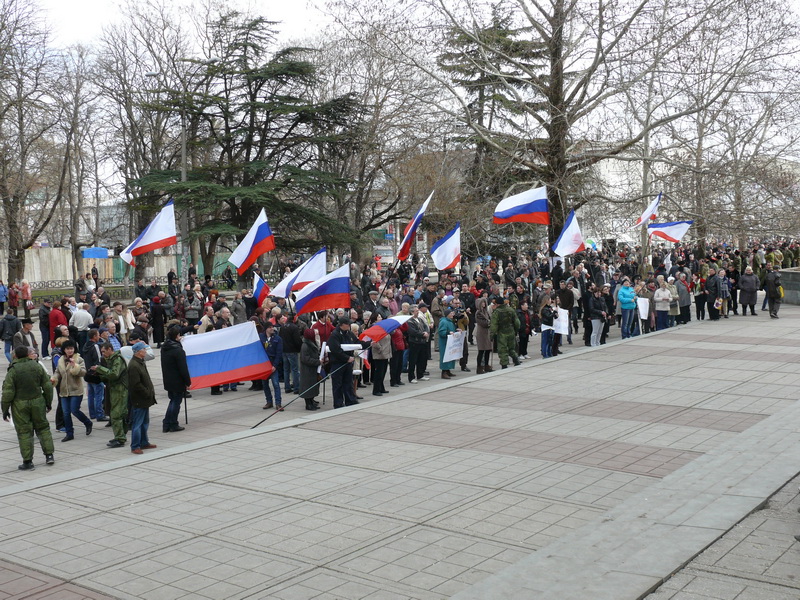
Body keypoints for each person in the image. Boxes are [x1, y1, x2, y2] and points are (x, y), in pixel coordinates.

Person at [2, 345, 55, 470]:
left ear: (15, 356)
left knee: (24, 432)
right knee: (43, 428)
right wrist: (48, 402)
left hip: (20, 405)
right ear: (27, 354)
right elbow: (47, 386)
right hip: (38, 401)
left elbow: (8, 392)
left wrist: (5, 409)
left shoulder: (13, 370)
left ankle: (28, 461)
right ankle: (49, 455)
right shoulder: (36, 366)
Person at [50, 339, 93, 442]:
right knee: (65, 412)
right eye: (67, 349)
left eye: (71, 348)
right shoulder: (61, 360)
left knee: (74, 410)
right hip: (64, 391)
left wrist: (75, 366)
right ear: (64, 350)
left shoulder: (79, 359)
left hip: (76, 390)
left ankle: (87, 422)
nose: (70, 351)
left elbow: (83, 372)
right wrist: (54, 378)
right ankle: (69, 433)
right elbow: (57, 372)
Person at [91, 342, 129, 448]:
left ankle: (120, 438)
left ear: (109, 349)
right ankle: (120, 436)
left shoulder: (117, 359)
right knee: (119, 414)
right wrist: (98, 375)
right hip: (115, 390)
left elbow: (114, 374)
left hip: (120, 390)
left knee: (116, 415)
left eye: (104, 351)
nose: (103, 354)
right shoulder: (111, 360)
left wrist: (100, 369)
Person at [327, 316, 368, 408]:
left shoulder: (349, 333)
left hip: (348, 362)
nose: (349, 325)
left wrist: (369, 344)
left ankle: (350, 400)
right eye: (347, 324)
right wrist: (346, 358)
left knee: (348, 382)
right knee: (338, 384)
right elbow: (335, 350)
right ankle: (338, 403)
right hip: (338, 363)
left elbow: (357, 343)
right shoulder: (335, 335)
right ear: (342, 325)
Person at [127, 341, 158, 455]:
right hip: (139, 399)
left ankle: (144, 442)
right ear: (138, 352)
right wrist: (146, 392)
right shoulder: (134, 365)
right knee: (138, 423)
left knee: (145, 422)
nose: (145, 351)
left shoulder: (140, 362)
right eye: (144, 350)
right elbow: (136, 385)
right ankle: (135, 445)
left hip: (145, 399)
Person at [160, 326, 191, 432]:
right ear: (177, 336)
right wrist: (188, 381)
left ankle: (167, 423)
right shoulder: (178, 350)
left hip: (168, 379)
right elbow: (183, 368)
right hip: (177, 380)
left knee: (172, 400)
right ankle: (172, 423)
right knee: (176, 402)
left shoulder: (165, 347)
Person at [82, 329, 107, 422]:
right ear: (94, 336)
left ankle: (92, 414)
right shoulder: (95, 346)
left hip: (88, 373)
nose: (99, 336)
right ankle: (100, 414)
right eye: (98, 335)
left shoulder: (85, 345)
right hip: (95, 374)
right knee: (99, 395)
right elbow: (99, 359)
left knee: (91, 395)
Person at [489, 297, 521, 369]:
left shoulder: (496, 312)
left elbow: (494, 325)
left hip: (502, 333)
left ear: (497, 304)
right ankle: (516, 360)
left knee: (502, 349)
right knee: (511, 348)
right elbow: (517, 322)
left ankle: (504, 365)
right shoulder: (510, 310)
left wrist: (492, 335)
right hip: (511, 331)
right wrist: (516, 330)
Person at [299, 328, 323, 410]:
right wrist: (317, 361)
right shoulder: (305, 345)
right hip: (307, 370)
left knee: (312, 386)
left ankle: (311, 401)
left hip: (312, 369)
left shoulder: (310, 343)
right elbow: (305, 359)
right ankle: (308, 404)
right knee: (308, 387)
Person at [406, 305, 430, 383]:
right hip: (414, 342)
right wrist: (422, 334)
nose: (418, 312)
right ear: (412, 312)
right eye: (416, 311)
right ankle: (411, 377)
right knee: (413, 360)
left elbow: (425, 326)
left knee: (421, 359)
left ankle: (420, 374)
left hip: (422, 342)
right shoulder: (409, 321)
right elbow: (412, 331)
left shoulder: (419, 319)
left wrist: (426, 332)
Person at [262, 323, 283, 409]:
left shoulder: (278, 339)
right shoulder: (261, 337)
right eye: (270, 327)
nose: (272, 329)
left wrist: (275, 365)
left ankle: (278, 403)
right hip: (264, 365)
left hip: (273, 364)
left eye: (272, 327)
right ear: (266, 329)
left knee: (276, 384)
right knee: (265, 384)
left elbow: (279, 353)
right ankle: (269, 401)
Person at [370, 315, 391, 395]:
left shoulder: (383, 327)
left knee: (383, 371)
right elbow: (374, 341)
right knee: (379, 372)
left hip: (386, 353)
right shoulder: (375, 328)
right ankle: (376, 389)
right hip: (379, 353)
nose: (381, 318)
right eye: (378, 317)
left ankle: (381, 387)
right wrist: (380, 348)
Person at [474, 295, 494, 374]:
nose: (484, 304)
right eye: (482, 303)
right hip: (481, 333)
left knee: (488, 349)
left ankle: (486, 365)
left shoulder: (486, 312)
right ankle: (479, 367)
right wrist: (490, 323)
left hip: (487, 332)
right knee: (481, 350)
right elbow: (483, 323)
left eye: (484, 303)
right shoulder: (478, 313)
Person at [438, 308, 458, 379]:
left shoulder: (450, 321)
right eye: (451, 313)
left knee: (450, 356)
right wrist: (448, 333)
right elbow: (441, 332)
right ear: (447, 314)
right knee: (445, 356)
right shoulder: (443, 322)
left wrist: (457, 330)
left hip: (450, 342)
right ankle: (444, 372)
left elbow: (452, 330)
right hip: (444, 342)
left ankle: (448, 370)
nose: (452, 314)